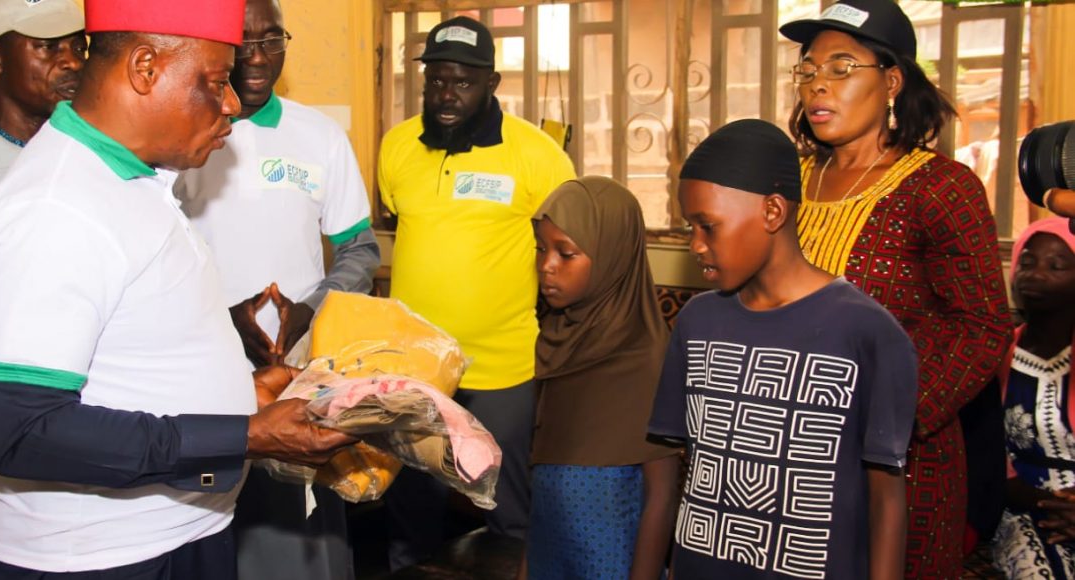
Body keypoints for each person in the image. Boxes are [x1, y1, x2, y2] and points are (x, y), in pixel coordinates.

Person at [0, 1, 356, 577]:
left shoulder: (135, 181)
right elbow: (27, 433)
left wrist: (243, 395)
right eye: (217, 82)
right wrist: (242, 435)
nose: (231, 103)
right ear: (145, 68)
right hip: (101, 558)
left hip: (180, 532)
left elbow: (132, 363)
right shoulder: (55, 209)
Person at [780, 1, 1012, 576]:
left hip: (898, 463)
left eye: (841, 68)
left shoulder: (940, 188)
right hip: (787, 446)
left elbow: (982, 327)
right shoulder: (786, 181)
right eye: (808, 70)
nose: (817, 85)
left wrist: (887, 416)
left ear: (891, 82)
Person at [648, 119, 918, 579]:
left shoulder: (867, 332)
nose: (695, 245)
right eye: (690, 226)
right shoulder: (697, 321)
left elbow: (886, 501)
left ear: (772, 212)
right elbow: (676, 471)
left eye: (708, 226)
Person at [177, 0, 378, 577]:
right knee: (212, 523)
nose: (260, 56)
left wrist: (310, 309)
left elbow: (359, 249)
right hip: (204, 367)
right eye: (244, 42)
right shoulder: (182, 134)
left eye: (273, 39)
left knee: (303, 533)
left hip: (299, 370)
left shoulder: (319, 135)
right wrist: (219, 317)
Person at [377, 15, 575, 568]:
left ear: (492, 83)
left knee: (510, 515)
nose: (446, 95)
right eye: (436, 80)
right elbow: (398, 218)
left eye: (462, 82)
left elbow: (566, 245)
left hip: (502, 369)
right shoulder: (397, 146)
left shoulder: (537, 154)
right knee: (410, 514)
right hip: (415, 369)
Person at [0, 1, 86, 576]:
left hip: (82, 466)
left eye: (77, 45)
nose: (71, 61)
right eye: (48, 47)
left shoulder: (87, 157)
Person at [527, 176, 679, 579]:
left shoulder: (647, 356)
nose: (547, 265)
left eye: (566, 253)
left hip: (611, 562)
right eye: (541, 248)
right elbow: (541, 476)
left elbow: (662, 497)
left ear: (613, 255)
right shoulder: (556, 340)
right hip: (550, 551)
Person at [992, 217, 1075, 578]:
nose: (1035, 275)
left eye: (1056, 266)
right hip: (1024, 511)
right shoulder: (994, 356)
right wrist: (1052, 506)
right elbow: (987, 458)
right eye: (1026, 263)